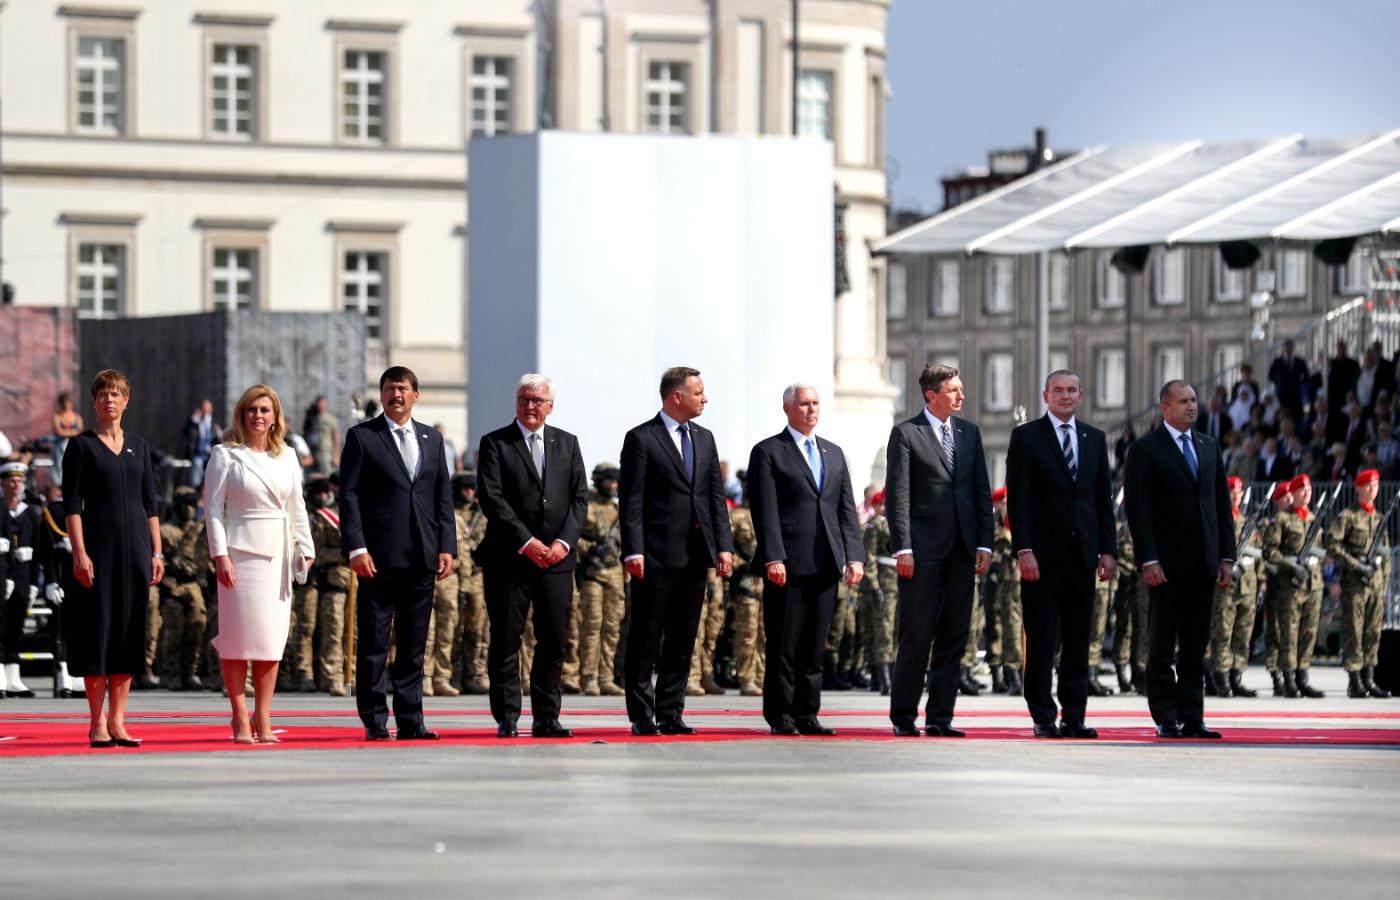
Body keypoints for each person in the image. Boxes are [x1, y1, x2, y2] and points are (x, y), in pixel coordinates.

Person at [340, 367, 456, 742]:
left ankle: (410, 718)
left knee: (413, 644)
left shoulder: (432, 439)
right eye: (389, 388)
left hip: (422, 556)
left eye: (403, 389)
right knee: (374, 643)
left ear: (415, 395)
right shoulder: (363, 436)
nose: (396, 395)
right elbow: (349, 496)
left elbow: (442, 496)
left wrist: (447, 546)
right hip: (377, 557)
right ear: (382, 394)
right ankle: (375, 720)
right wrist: (356, 547)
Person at [619, 367, 734, 736]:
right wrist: (633, 550)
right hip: (654, 555)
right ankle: (641, 714)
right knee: (646, 637)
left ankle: (670, 712)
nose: (705, 399)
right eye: (698, 393)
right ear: (677, 396)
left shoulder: (704, 438)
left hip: (695, 554)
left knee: (683, 640)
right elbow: (631, 500)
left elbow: (715, 497)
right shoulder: (642, 438)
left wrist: (724, 546)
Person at [746, 384, 864, 736]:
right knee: (785, 642)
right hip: (787, 564)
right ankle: (780, 713)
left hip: (826, 561)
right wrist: (773, 557)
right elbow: (765, 511)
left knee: (815, 644)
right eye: (803, 404)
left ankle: (807, 712)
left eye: (815, 403)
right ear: (787, 408)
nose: (811, 410)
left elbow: (846, 509)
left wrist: (854, 556)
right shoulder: (769, 451)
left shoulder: (833, 452)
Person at [475, 374, 589, 738]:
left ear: (550, 406)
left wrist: (563, 543)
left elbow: (579, 498)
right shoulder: (496, 443)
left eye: (537, 400)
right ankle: (507, 715)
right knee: (507, 639)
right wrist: (527, 542)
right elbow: (492, 499)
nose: (529, 406)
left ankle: (546, 716)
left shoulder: (567, 443)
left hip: (557, 561)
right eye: (524, 399)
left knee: (553, 640)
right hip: (510, 558)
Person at [1005, 371, 1116, 739]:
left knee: (1078, 640)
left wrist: (1108, 550)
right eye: (1058, 390)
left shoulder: (1094, 438)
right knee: (1041, 640)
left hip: (1083, 556)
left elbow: (1102, 499)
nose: (1065, 396)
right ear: (1046, 396)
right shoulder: (1026, 437)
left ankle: (1074, 716)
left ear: (1081, 395)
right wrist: (1024, 550)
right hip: (1041, 558)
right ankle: (1042, 715)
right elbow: (1018, 500)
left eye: (1071, 390)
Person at [884, 364, 993, 738]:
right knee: (917, 637)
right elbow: (898, 495)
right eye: (953, 390)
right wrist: (903, 547)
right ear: (931, 395)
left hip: (962, 552)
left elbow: (980, 490)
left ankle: (940, 717)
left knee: (954, 637)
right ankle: (903, 716)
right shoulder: (906, 434)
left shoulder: (968, 433)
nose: (961, 395)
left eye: (961, 388)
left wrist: (984, 542)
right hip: (922, 554)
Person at [1123, 380, 1235, 739]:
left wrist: (1226, 556)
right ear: (1165, 408)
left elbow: (1221, 505)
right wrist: (1148, 559)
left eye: (1193, 400)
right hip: (1165, 565)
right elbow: (1138, 511)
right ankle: (1165, 716)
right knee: (1161, 645)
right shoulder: (1145, 449)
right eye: (1183, 401)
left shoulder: (1208, 445)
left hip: (1203, 562)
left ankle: (1193, 716)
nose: (1191, 406)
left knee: (1195, 646)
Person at [203, 385, 314, 743]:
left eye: (265, 410)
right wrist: (220, 554)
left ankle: (263, 716)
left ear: (275, 416)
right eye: (251, 409)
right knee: (236, 639)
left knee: (270, 640)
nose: (258, 416)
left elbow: (297, 506)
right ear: (242, 414)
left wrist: (305, 546)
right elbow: (212, 509)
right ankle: (239, 715)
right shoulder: (225, 454)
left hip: (278, 556)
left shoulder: (288, 456)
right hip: (238, 555)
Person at [61, 370, 165, 747]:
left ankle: (119, 721)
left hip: (135, 552)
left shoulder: (139, 445)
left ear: (126, 401)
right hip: (97, 553)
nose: (109, 400)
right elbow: (72, 505)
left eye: (116, 394)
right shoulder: (81, 447)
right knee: (97, 633)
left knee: (127, 634)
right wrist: (80, 552)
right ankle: (97, 722)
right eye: (103, 394)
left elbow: (150, 504)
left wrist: (156, 551)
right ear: (94, 401)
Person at [1324, 468, 1392, 699]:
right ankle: (1355, 681)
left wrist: (1384, 582)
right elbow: (1332, 544)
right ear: (1359, 488)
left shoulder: (1379, 518)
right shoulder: (1348, 516)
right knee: (1354, 630)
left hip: (1375, 584)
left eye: (1376, 486)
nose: (1373, 490)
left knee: (1372, 632)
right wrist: (1356, 564)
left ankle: (1369, 679)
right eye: (1368, 486)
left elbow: (1385, 553)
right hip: (1354, 584)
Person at [575, 463, 627, 697]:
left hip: (615, 574)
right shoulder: (586, 508)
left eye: (615, 482)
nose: (612, 486)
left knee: (612, 627)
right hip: (592, 574)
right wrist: (589, 549)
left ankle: (606, 677)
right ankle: (589, 678)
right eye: (608, 481)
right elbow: (572, 536)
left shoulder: (619, 510)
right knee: (592, 626)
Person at [2, 463, 44, 699]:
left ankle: (13, 674)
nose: (16, 484)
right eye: (12, 480)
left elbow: (39, 548)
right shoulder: (1, 508)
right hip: (2, 574)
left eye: (19, 480)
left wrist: (35, 582)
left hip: (23, 575)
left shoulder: (30, 513)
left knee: (16, 625)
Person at [182, 399, 220, 486]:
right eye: (203, 408)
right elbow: (185, 432)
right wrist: (193, 420)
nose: (205, 410)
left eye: (207, 408)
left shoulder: (214, 422)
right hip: (198, 454)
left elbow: (220, 437)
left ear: (211, 409)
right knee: (196, 479)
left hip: (210, 455)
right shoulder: (196, 421)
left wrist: (218, 433)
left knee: (210, 480)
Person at [51, 392, 84, 466]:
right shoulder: (57, 417)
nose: (66, 406)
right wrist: (73, 432)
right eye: (64, 404)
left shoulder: (77, 417)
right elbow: (58, 432)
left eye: (67, 403)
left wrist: (65, 432)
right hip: (60, 447)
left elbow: (80, 430)